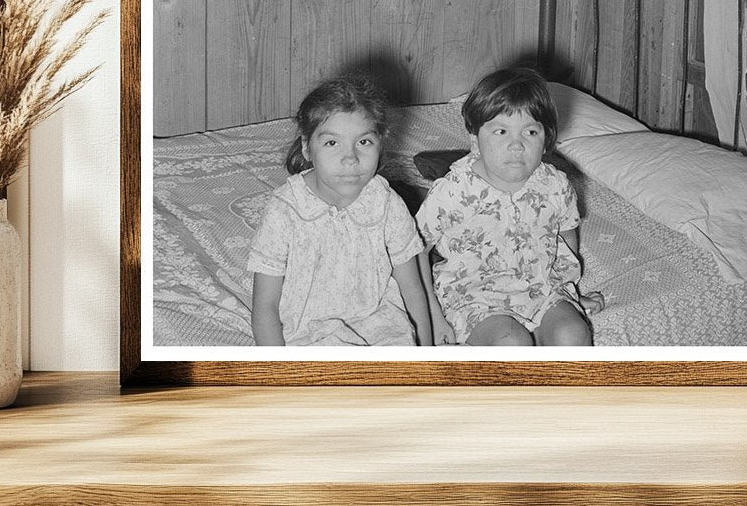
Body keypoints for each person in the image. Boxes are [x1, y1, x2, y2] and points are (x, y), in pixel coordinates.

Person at [248, 74, 433, 347]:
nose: (351, 158)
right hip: (308, 334)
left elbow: (412, 288)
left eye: (364, 142)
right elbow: (265, 306)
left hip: (382, 326)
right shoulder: (285, 211)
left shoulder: (386, 203)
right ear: (306, 148)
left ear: (381, 144)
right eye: (332, 143)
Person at [415, 68, 593, 347]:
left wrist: (572, 292)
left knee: (574, 334)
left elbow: (567, 237)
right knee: (513, 343)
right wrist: (433, 316)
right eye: (501, 131)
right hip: (475, 297)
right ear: (474, 139)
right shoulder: (452, 190)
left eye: (530, 132)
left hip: (542, 289)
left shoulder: (555, 185)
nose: (516, 145)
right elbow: (416, 252)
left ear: (546, 140)